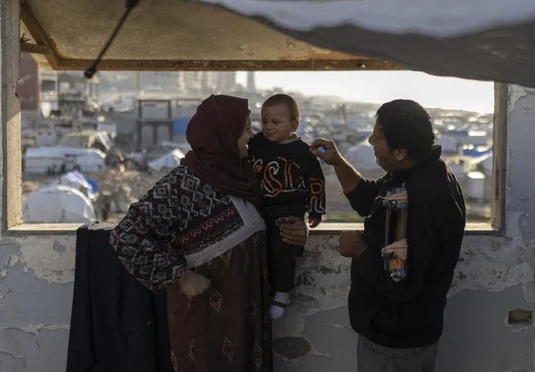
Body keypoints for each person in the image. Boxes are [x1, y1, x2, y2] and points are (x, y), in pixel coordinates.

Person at [107, 94, 309, 372]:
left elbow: (278, 213)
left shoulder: (248, 176)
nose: (251, 136)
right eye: (245, 129)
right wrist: (181, 277)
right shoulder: (181, 185)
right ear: (224, 135)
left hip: (248, 317)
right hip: (205, 323)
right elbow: (124, 236)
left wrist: (298, 229)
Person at [310, 99, 466, 372]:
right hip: (411, 334)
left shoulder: (411, 198)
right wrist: (337, 162)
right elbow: (369, 199)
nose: (371, 141)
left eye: (378, 137)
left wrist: (359, 249)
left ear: (400, 152)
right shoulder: (427, 172)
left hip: (394, 344)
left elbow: (399, 283)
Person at [248, 93, 326, 319]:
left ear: (293, 125)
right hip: (260, 209)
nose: (268, 127)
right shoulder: (256, 144)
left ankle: (283, 293)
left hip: (288, 211)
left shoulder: (303, 153)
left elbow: (316, 182)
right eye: (264, 121)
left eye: (276, 122)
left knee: (284, 245)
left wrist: (315, 211)